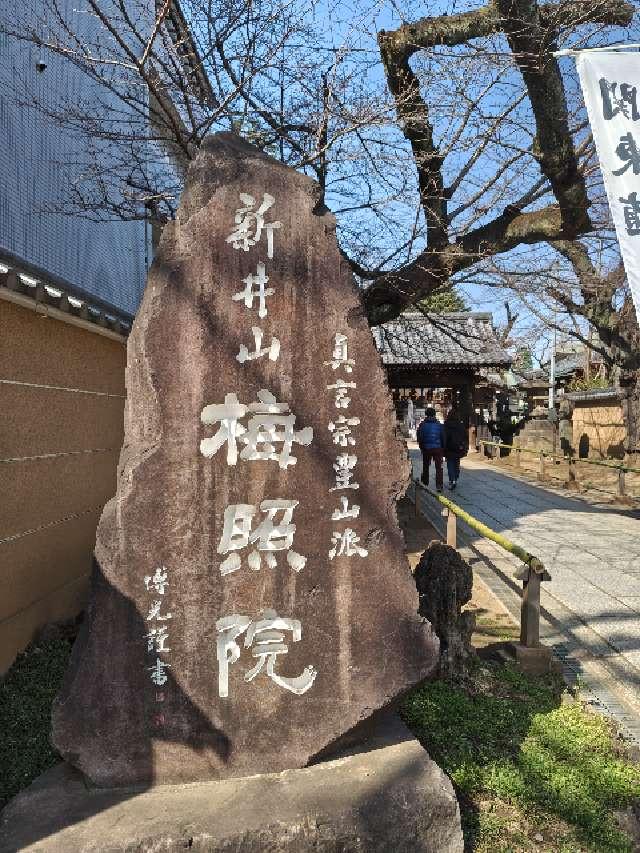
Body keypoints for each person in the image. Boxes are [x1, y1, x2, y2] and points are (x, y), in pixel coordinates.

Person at [417, 407, 445, 491]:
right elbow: (443, 437)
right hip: (437, 448)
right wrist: (442, 447)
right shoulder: (439, 425)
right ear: (434, 414)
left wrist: (421, 446)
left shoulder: (422, 425)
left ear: (426, 414)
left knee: (425, 466)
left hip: (426, 448)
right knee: (439, 467)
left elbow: (420, 437)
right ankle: (439, 485)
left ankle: (425, 482)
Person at [444, 408, 469, 489]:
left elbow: (443, 437)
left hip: (448, 447)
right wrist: (464, 446)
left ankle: (452, 480)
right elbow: (465, 436)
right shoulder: (461, 425)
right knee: (456, 462)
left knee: (450, 464)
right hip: (459, 447)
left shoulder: (446, 425)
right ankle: (456, 476)